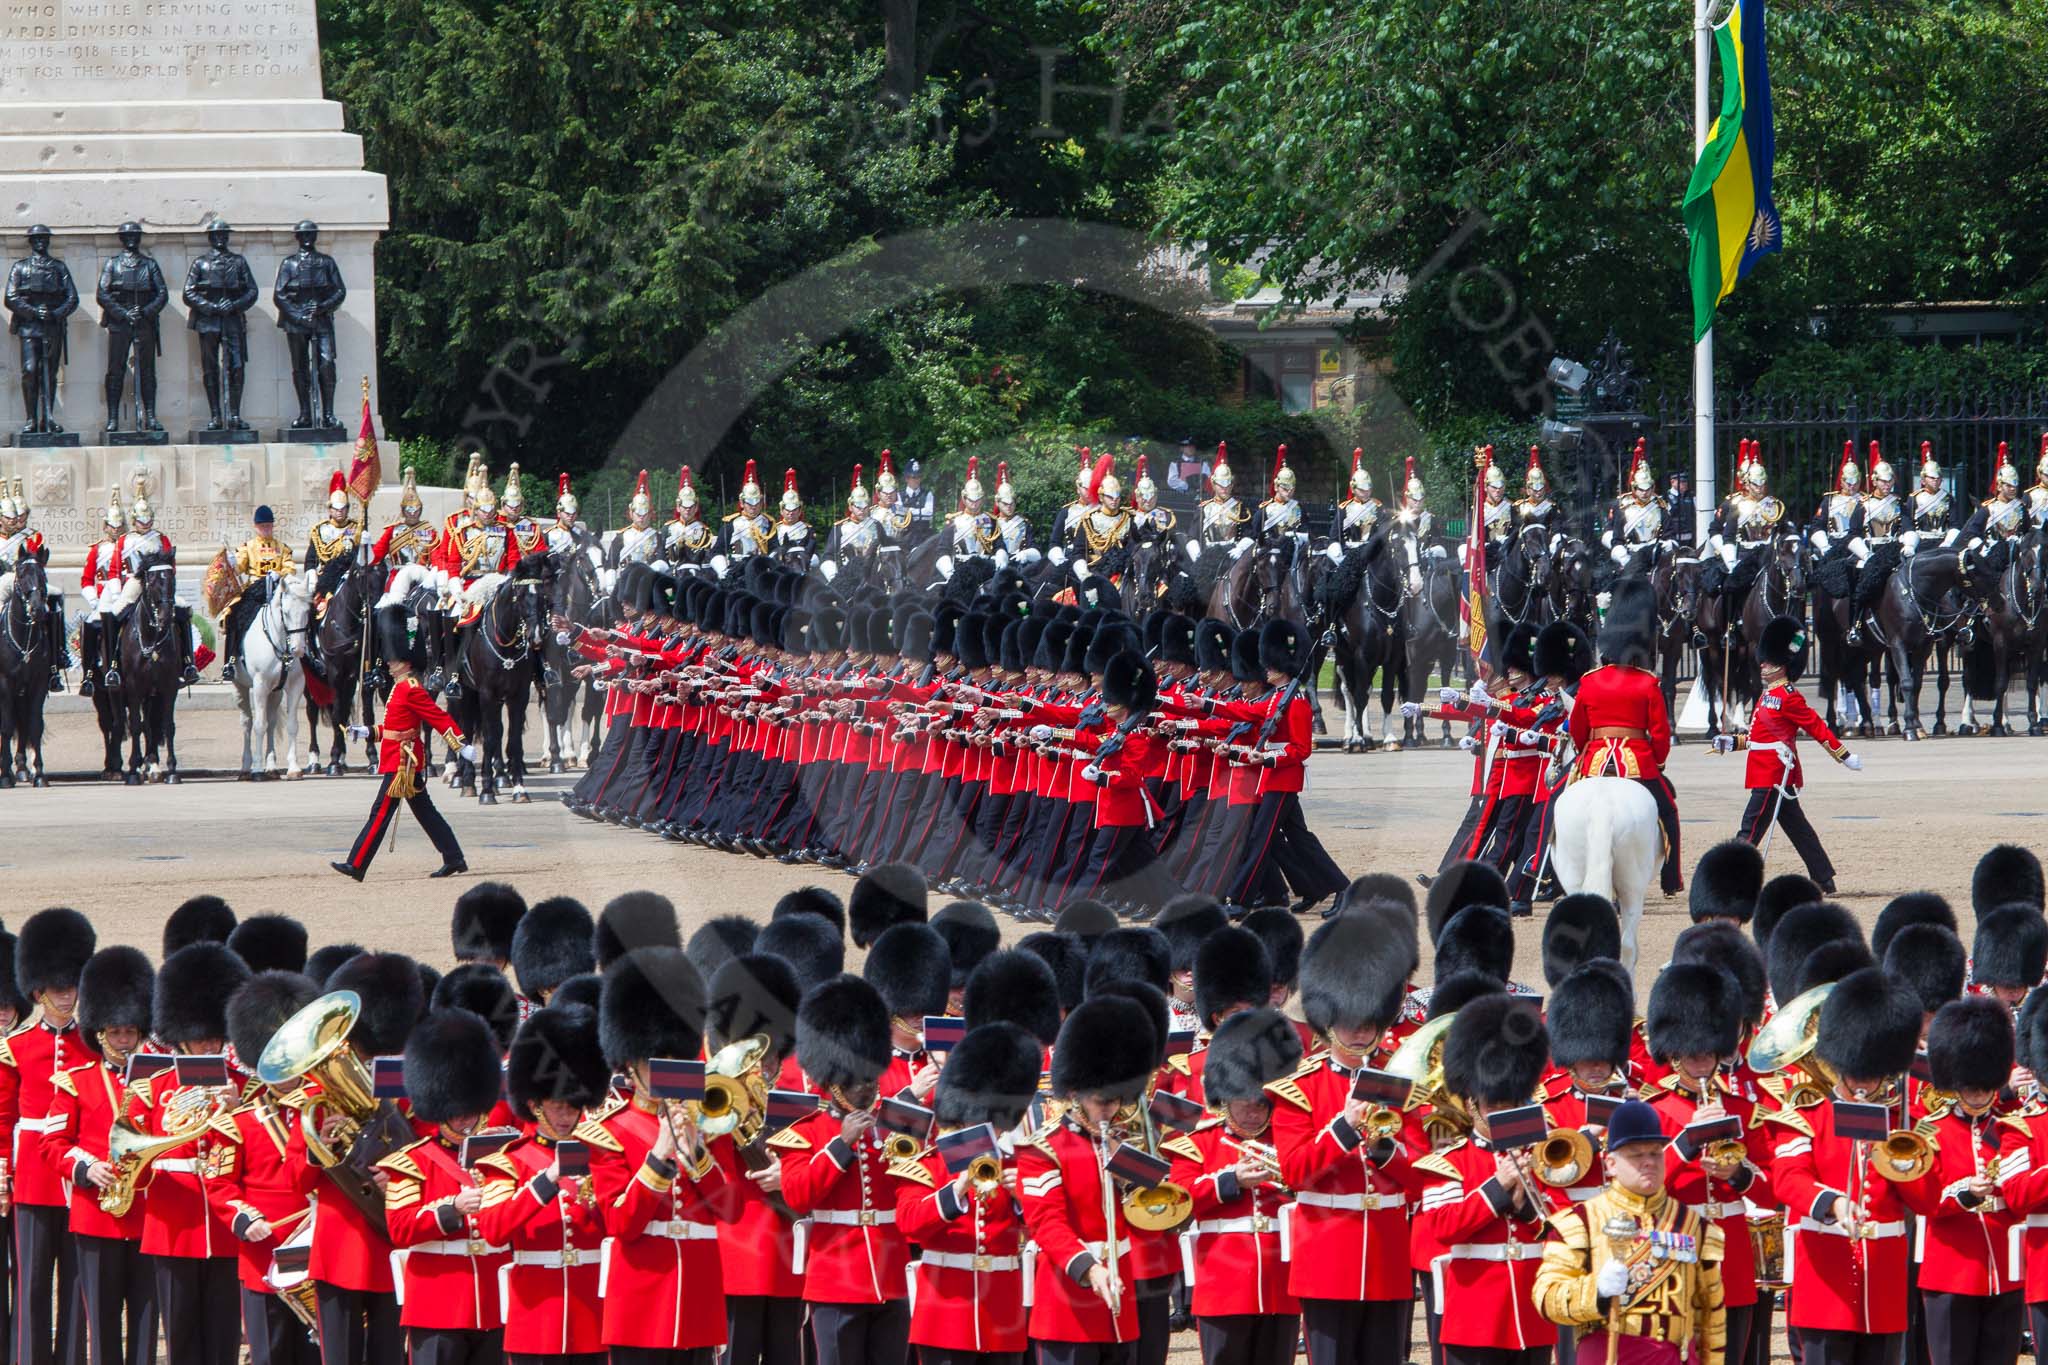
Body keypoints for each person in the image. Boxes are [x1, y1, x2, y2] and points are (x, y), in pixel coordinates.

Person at [1766, 967, 1940, 1365]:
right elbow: (1789, 1178)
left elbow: (1927, 1201)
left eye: (1874, 1070)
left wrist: (1900, 1157)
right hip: (1824, 1282)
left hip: (1883, 1288)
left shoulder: (1903, 1120)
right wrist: (1834, 1204)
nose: (1865, 1081)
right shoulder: (1808, 1111)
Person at [1263, 916, 1414, 1365]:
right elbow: (1294, 1171)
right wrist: (1344, 1129)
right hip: (1327, 1258)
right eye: (1348, 1020)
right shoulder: (1300, 1088)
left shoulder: (1401, 1079)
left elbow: (1423, 1174)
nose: (1359, 1030)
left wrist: (1384, 1150)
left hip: (1388, 1254)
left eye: (1368, 1019)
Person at [1407, 992, 1556, 1365]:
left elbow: (1559, 1224)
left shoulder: (1540, 1155)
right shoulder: (1450, 1162)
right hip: (1476, 1314)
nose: (1500, 1111)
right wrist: (1498, 1187)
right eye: (1493, 1104)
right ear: (1472, 1104)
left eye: (1509, 1103)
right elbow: (1444, 1226)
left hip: (1531, 1311)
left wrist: (1525, 1199)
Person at [127, 943, 251, 1365]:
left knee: (223, 1339)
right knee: (180, 1337)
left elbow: (263, 1155)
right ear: (181, 1038)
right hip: (173, 1223)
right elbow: (132, 1161)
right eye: (199, 1040)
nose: (207, 1046)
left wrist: (238, 1110)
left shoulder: (245, 1087)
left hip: (224, 1226)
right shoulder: (155, 1088)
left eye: (214, 1038)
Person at [1531, 1098, 1727, 1365]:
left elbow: (1711, 1314)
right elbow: (1547, 1297)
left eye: (1656, 1153)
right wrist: (1596, 1290)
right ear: (1611, 1164)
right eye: (1636, 1155)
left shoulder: (1692, 1224)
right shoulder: (1580, 1222)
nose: (1648, 1162)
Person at [776, 975, 908, 1365]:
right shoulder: (807, 1131)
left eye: (870, 1082)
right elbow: (798, 1195)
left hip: (890, 1277)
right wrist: (840, 1145)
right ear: (833, 1083)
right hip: (836, 1279)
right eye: (855, 1085)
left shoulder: (894, 1124)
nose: (866, 1091)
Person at [893, 1022, 1039, 1365]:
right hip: (946, 1313)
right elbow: (910, 1223)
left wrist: (1022, 1198)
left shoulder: (1015, 1164)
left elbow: (1048, 1226)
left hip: (1002, 1314)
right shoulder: (930, 1164)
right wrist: (957, 1188)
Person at [378, 1009, 513, 1365]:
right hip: (438, 1304)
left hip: (494, 1302)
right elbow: (401, 1227)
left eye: (471, 1109)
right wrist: (451, 1209)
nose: (465, 1118)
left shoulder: (505, 1153)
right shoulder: (414, 1161)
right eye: (457, 1111)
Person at [46, 946, 158, 1365]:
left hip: (148, 1216)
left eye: (130, 1033)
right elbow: (53, 1144)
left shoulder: (159, 1082)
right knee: (103, 1327)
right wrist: (86, 1166)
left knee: (147, 1322)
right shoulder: (76, 1082)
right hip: (96, 1215)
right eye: (116, 1033)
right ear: (99, 1034)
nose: (124, 1041)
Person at [2, 905, 97, 1365]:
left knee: (78, 1283)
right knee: (32, 1281)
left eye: (72, 985)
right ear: (38, 991)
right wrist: (5, 1176)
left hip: (78, 1174)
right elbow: (4, 1121)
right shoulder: (16, 1047)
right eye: (58, 988)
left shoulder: (92, 1044)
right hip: (33, 1179)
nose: (67, 995)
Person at [1714, 615, 1861, 893]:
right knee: (1798, 829)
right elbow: (1757, 738)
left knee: (1750, 829)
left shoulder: (1789, 697)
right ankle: (1823, 877)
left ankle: (1727, 879)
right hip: (1765, 769)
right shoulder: (1767, 694)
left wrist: (1843, 755)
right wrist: (1731, 742)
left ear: (1781, 665)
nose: (1762, 664)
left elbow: (1817, 727)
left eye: (1768, 662)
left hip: (1773, 773)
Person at [331, 606, 474, 881]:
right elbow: (395, 728)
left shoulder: (411, 688)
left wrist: (460, 744)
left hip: (403, 764)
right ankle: (454, 857)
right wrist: (367, 732)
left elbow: (438, 717)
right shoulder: (399, 687)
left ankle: (357, 863)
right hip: (400, 759)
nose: (389, 661)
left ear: (406, 662)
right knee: (426, 813)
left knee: (380, 812)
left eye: (393, 658)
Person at [1562, 576, 1682, 894]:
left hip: (1595, 760)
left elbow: (1577, 729)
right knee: (1668, 810)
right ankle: (1672, 879)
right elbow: (1660, 733)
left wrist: (1585, 752)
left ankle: (1542, 869)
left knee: (1554, 808)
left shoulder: (1590, 681)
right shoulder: (1647, 683)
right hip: (1638, 762)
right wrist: (1657, 761)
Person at [217, 506, 294, 685]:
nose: (266, 529)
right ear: (256, 527)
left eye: (269, 525)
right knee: (235, 615)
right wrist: (232, 561)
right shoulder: (249, 547)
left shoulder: (282, 548)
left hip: (277, 590)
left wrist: (280, 574)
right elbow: (239, 567)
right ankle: (231, 661)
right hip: (255, 590)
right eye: (262, 526)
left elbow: (290, 567)